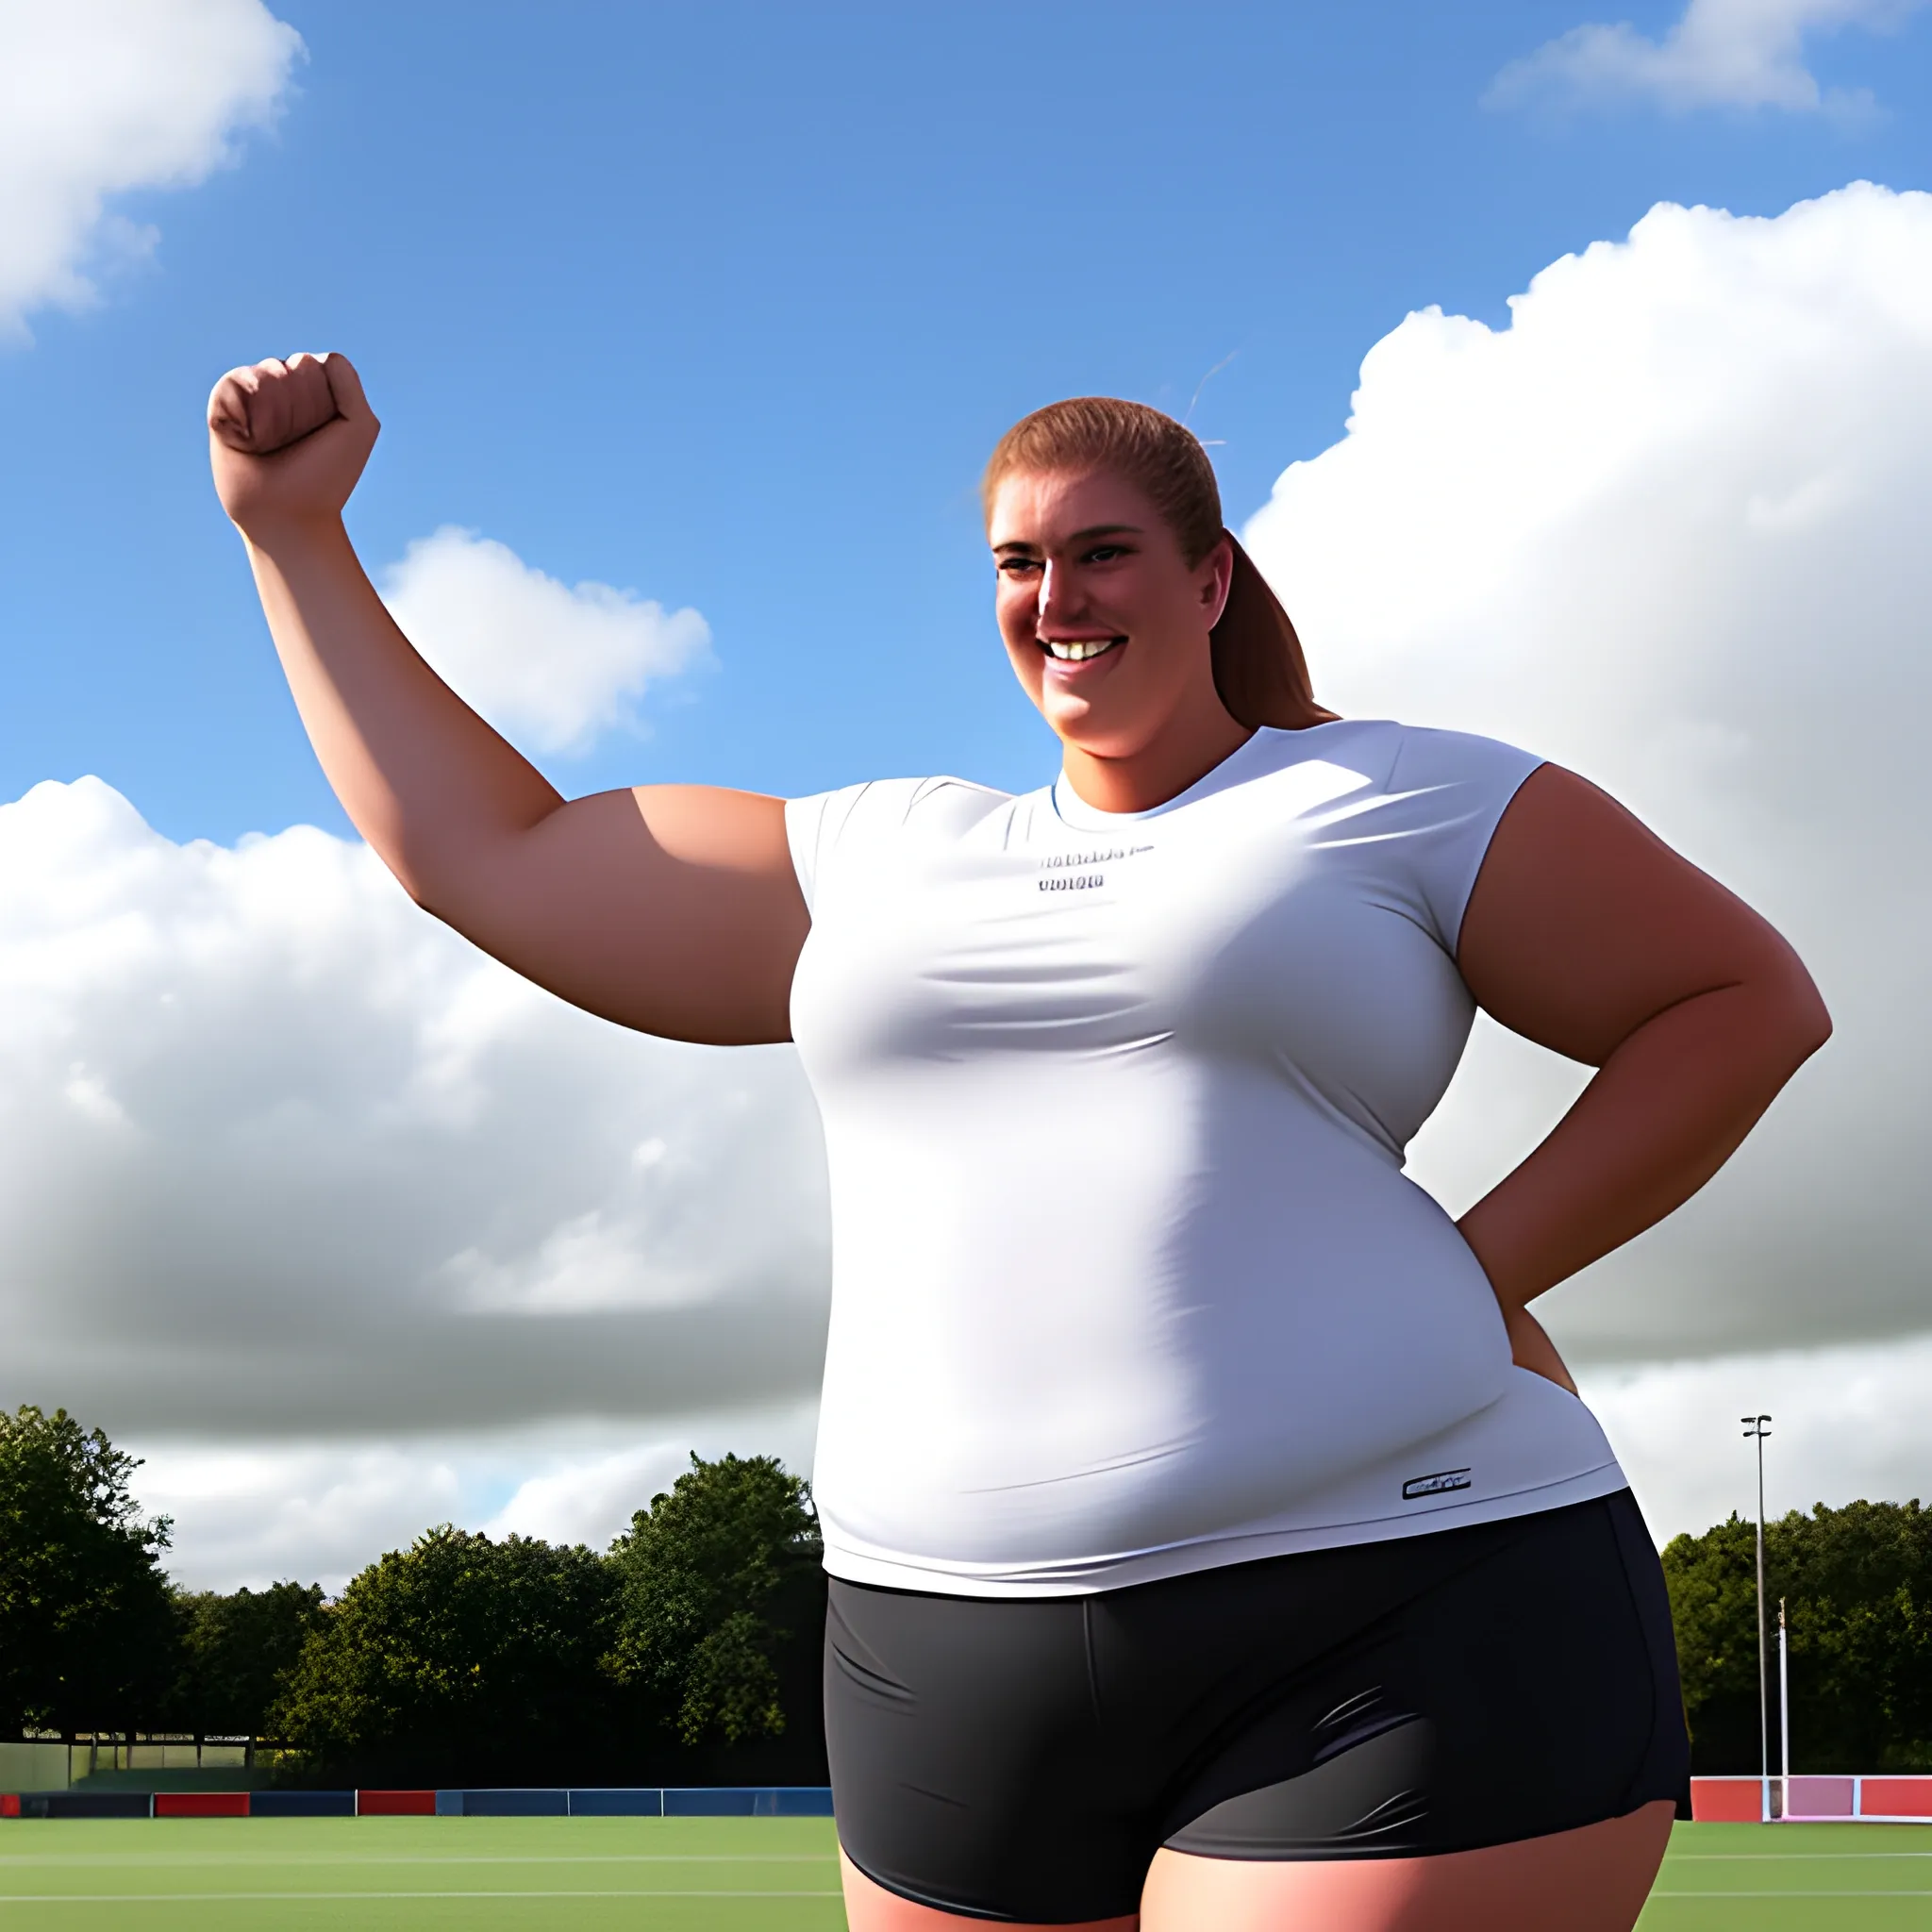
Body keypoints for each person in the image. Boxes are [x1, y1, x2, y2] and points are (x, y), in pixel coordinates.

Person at [208, 355, 1829, 1931]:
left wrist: (1467, 1276)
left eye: (1104, 549)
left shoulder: (1397, 798)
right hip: (938, 1648)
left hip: (1400, 1592)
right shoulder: (886, 852)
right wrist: (295, 538)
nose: (1058, 596)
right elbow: (492, 858)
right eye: (1019, 562)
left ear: (1211, 579)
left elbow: (1738, 999)